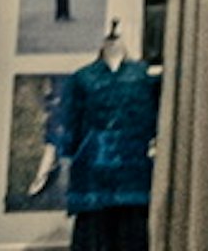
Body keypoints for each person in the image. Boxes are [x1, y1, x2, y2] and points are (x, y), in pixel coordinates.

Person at [46, 32, 160, 251]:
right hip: (92, 174)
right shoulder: (82, 78)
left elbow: (157, 122)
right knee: (92, 237)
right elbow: (67, 122)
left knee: (132, 235)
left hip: (133, 172)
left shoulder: (145, 77)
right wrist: (53, 159)